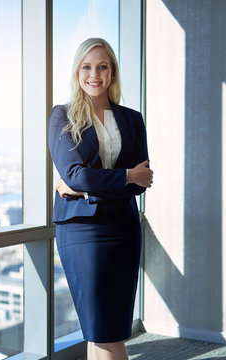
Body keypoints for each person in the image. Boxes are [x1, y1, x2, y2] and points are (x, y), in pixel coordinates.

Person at [48, 38, 153, 360]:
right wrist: (122, 176)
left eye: (102, 66)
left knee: (105, 332)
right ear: (78, 72)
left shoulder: (131, 118)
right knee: (104, 332)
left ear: (112, 72)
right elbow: (75, 174)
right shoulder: (62, 116)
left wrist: (86, 186)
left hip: (124, 227)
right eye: (87, 67)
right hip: (82, 231)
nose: (95, 74)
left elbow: (142, 180)